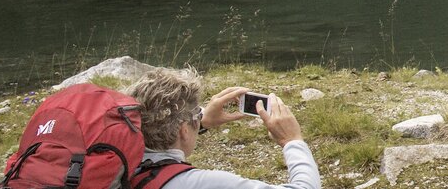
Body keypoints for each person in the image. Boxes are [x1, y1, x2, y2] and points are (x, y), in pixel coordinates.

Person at [127, 68, 321, 189]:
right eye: (197, 114)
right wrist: (292, 141)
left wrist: (201, 121)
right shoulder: (202, 184)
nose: (199, 116)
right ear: (183, 130)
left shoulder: (119, 159)